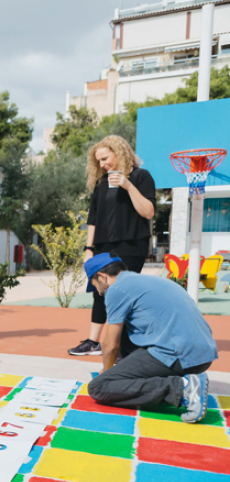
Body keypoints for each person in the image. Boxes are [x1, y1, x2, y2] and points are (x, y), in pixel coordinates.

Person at [86, 253, 216, 424]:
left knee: (99, 387)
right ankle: (183, 382)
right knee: (126, 328)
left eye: (95, 286)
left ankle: (184, 389)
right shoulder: (150, 281)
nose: (98, 292)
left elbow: (110, 344)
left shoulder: (116, 289)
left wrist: (107, 372)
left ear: (102, 277)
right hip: (202, 354)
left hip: (180, 355)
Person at [68, 135, 156, 357]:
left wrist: (127, 185)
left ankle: (124, 348)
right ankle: (93, 342)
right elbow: (93, 219)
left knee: (124, 294)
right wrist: (89, 249)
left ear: (119, 152)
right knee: (99, 292)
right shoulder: (101, 183)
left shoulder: (141, 176)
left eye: (105, 158)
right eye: (98, 161)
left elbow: (148, 211)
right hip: (103, 246)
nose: (101, 164)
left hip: (132, 244)